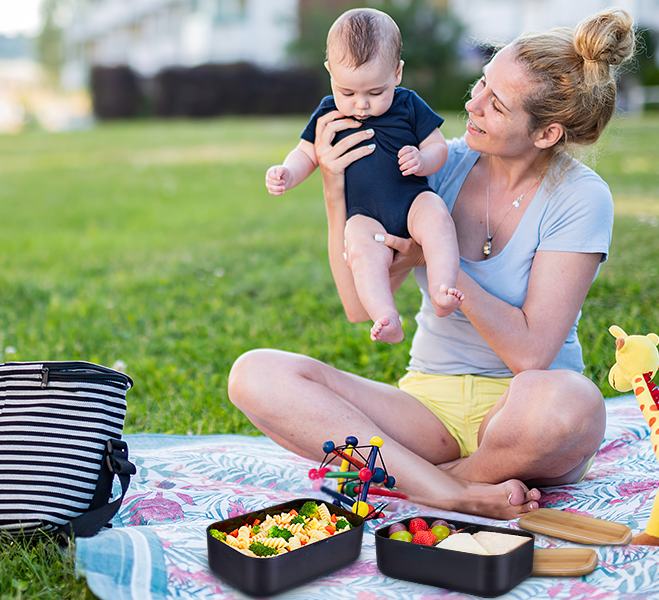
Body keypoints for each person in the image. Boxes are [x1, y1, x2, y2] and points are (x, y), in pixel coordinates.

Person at [232, 8, 635, 520]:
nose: (473, 103)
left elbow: (532, 355)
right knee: (256, 375)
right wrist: (336, 191)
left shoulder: (581, 197)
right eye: (481, 83)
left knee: (572, 402)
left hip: (521, 415)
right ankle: (450, 490)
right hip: (427, 410)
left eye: (497, 104)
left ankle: (417, 482)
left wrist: (443, 265)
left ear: (546, 134)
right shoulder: (438, 164)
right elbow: (359, 307)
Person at [265, 8, 462, 344]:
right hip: (364, 216)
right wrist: (287, 172)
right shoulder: (328, 111)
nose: (361, 105)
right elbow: (306, 152)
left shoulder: (409, 104)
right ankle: (385, 315)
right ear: (330, 73)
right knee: (361, 252)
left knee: (438, 220)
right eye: (348, 93)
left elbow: (438, 146)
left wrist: (422, 159)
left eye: (375, 93)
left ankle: (443, 288)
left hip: (412, 199)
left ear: (397, 73)